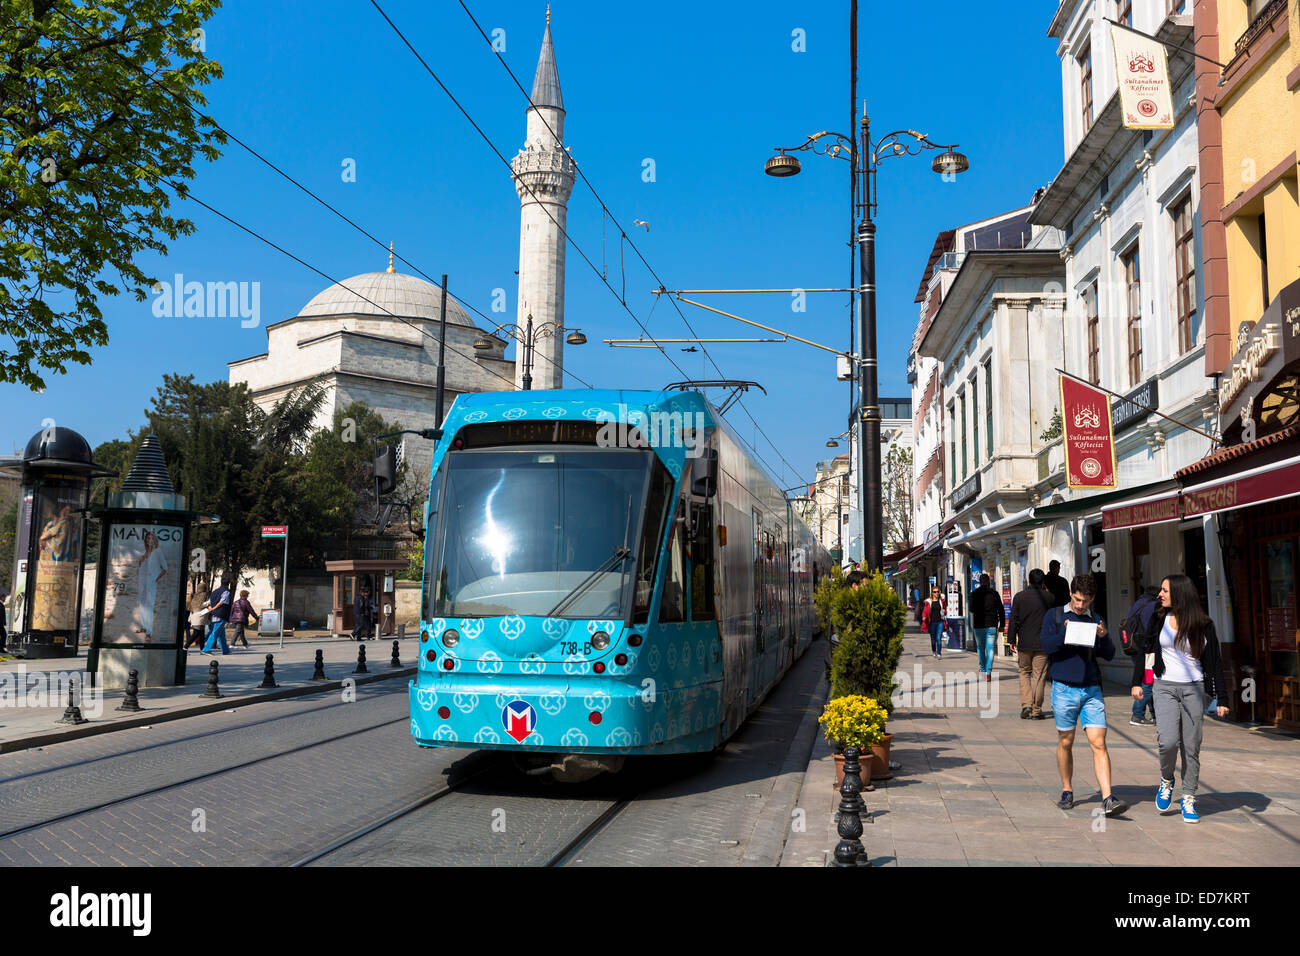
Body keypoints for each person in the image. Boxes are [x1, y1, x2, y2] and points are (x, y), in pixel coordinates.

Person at [1135, 574, 1230, 824]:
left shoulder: (1203, 624)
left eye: (1165, 590)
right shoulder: (1158, 618)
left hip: (1194, 689)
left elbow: (1215, 664)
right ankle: (1167, 780)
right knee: (1167, 742)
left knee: (1191, 746)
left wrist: (1222, 697)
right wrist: (1137, 681)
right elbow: (1146, 651)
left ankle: (1188, 796)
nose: (1160, 595)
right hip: (1164, 686)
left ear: (1179, 593)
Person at [1041, 573, 1128, 817]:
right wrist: (1064, 633)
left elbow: (1110, 654)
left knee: (1099, 742)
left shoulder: (1096, 618)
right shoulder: (1056, 616)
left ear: (1092, 599)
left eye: (1086, 601)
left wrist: (1103, 636)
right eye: (1078, 600)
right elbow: (1047, 647)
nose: (1081, 606)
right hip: (1064, 688)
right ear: (1071, 594)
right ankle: (1067, 789)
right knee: (1065, 742)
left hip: (1091, 689)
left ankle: (1108, 797)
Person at [1008, 569, 1052, 719]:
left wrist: (1011, 640)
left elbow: (1014, 619)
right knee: (1039, 676)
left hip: (1025, 643)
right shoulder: (1050, 598)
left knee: (1024, 672)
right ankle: (1036, 710)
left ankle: (1026, 704)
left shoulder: (1019, 597)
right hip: (1043, 643)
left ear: (1029, 580)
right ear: (1043, 581)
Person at [1125, 586, 1162, 726]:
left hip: (1136, 647)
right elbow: (1152, 629)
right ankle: (1138, 714)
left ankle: (1154, 714)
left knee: (1147, 679)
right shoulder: (1153, 606)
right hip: (1149, 649)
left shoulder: (1137, 604)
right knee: (1148, 681)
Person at [970, 573, 1005, 682]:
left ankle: (983, 668)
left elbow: (971, 609)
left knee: (980, 648)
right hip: (991, 624)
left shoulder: (974, 594)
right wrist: (1002, 625)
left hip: (979, 625)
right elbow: (1001, 610)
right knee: (990, 648)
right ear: (988, 582)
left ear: (979, 582)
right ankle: (989, 672)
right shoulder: (994, 594)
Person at [134, 530, 168, 640]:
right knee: (142, 604)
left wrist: (155, 579)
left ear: (155, 540)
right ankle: (143, 626)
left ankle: (149, 632)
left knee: (149, 605)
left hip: (151, 582)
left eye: (152, 539)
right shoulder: (146, 552)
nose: (150, 541)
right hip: (142, 581)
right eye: (148, 539)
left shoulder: (158, 551)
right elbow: (141, 567)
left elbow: (165, 568)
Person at [203, 578, 233, 654]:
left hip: (214, 615)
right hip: (221, 614)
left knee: (221, 635)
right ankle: (206, 649)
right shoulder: (226, 591)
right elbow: (222, 602)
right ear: (228, 584)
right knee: (215, 633)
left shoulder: (214, 591)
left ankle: (225, 650)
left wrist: (210, 608)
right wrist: (214, 608)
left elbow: (209, 602)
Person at [921, 585, 947, 659]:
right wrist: (924, 617)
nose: (936, 593)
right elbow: (925, 611)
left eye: (937, 592)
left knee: (938, 638)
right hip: (931, 622)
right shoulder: (928, 602)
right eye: (934, 592)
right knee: (933, 639)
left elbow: (945, 611)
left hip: (940, 622)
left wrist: (944, 611)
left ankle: (939, 653)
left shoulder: (942, 601)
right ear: (932, 593)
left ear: (939, 592)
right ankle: (934, 651)